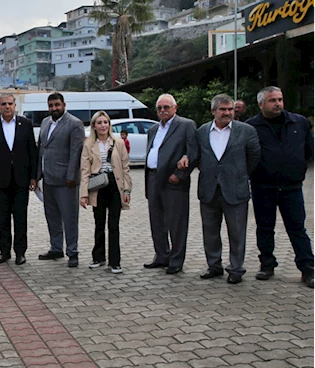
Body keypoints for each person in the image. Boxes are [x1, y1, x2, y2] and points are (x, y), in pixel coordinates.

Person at [246, 87, 315, 287]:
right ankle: (267, 265)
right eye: (272, 100)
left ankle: (308, 268)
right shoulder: (251, 126)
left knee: (297, 229)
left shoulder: (298, 122)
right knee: (265, 228)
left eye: (280, 99)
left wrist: (298, 168)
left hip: (291, 187)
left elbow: (309, 151)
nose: (278, 104)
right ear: (261, 104)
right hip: (263, 187)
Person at [195, 94, 261, 285]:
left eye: (230, 109)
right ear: (213, 111)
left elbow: (254, 157)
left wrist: (239, 175)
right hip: (209, 190)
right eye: (223, 109)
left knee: (237, 232)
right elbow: (197, 156)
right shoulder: (202, 131)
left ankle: (236, 269)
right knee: (210, 232)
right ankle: (214, 266)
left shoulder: (247, 131)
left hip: (235, 190)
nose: (227, 113)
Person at [144, 94, 198, 274]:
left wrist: (180, 174)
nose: (162, 111)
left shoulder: (186, 125)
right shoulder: (153, 129)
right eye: (159, 108)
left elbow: (193, 152)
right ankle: (161, 256)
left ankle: (176, 260)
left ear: (175, 108)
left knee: (176, 222)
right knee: (156, 220)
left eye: (166, 107)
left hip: (173, 181)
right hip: (153, 178)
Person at [0, 94, 37, 265]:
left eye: (10, 104)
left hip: (21, 180)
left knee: (20, 218)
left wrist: (34, 177)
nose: (7, 107)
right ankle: (4, 251)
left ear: (15, 106)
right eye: (4, 104)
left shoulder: (25, 124)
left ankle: (20, 252)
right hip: (1, 181)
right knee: (3, 218)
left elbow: (32, 153)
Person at [36, 92, 85, 267]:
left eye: (57, 105)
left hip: (66, 181)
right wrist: (37, 175)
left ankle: (73, 252)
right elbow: (41, 149)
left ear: (64, 105)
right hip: (48, 178)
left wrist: (72, 176)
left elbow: (76, 152)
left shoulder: (74, 124)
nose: (54, 108)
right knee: (52, 216)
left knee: (69, 218)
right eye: (51, 105)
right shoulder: (45, 122)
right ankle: (56, 248)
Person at [79, 111, 131, 274]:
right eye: (99, 123)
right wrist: (84, 193)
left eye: (105, 122)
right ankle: (98, 257)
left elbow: (125, 167)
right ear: (94, 126)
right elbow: (85, 170)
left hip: (115, 185)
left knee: (114, 225)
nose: (103, 125)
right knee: (99, 223)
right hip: (97, 185)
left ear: (109, 125)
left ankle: (115, 262)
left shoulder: (118, 143)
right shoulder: (89, 144)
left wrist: (127, 189)